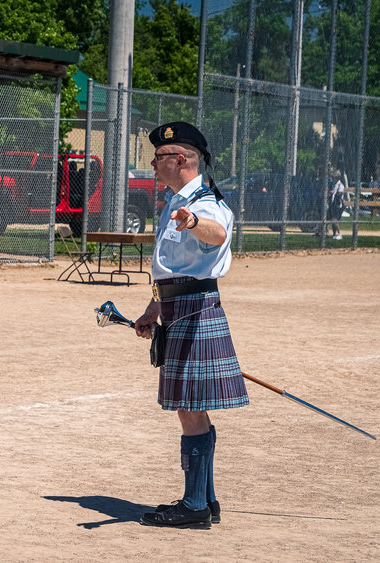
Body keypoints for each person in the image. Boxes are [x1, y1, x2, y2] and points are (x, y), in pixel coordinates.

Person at [133, 122, 248, 529]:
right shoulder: (176, 201)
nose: (152, 164)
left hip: (195, 309)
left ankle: (194, 506)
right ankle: (206, 499)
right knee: (192, 407)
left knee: (189, 408)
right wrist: (153, 307)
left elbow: (217, 233)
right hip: (178, 306)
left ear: (179, 159)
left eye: (159, 157)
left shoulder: (201, 202)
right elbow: (172, 266)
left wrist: (194, 222)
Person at [328, 171, 345, 240]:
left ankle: (339, 233)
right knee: (332, 220)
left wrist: (335, 193)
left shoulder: (340, 185)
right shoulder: (334, 185)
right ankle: (334, 234)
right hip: (333, 204)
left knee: (334, 219)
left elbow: (340, 194)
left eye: (334, 178)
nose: (332, 179)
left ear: (337, 178)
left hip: (338, 205)